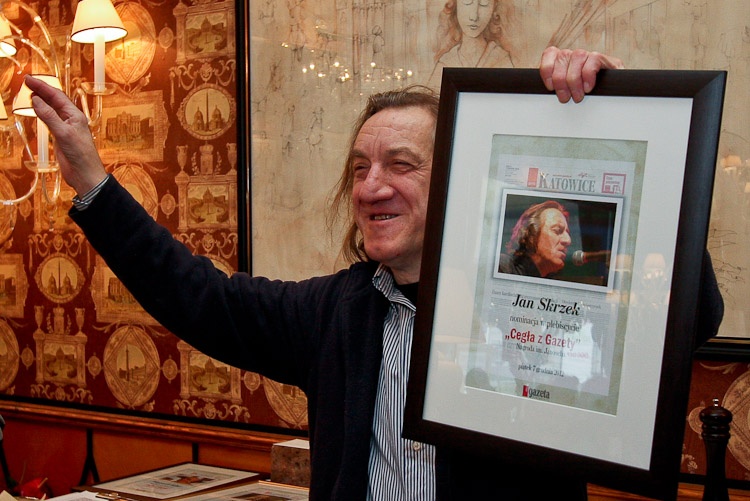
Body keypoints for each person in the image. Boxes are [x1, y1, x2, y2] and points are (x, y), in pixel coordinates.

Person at [26, 47, 721, 499]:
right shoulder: (334, 312)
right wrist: (92, 182)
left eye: (400, 165)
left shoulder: (520, 310)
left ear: (457, 180)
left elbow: (688, 318)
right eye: (360, 167)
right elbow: (197, 295)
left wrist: (615, 127)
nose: (370, 186)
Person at [427, 0, 514, 87]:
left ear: (493, 8)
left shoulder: (501, 60)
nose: (474, 16)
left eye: (484, 4)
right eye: (467, 2)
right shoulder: (446, 62)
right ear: (455, 5)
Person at [498, 200, 572, 278]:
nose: (568, 240)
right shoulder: (502, 267)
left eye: (567, 233)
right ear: (531, 235)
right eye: (557, 230)